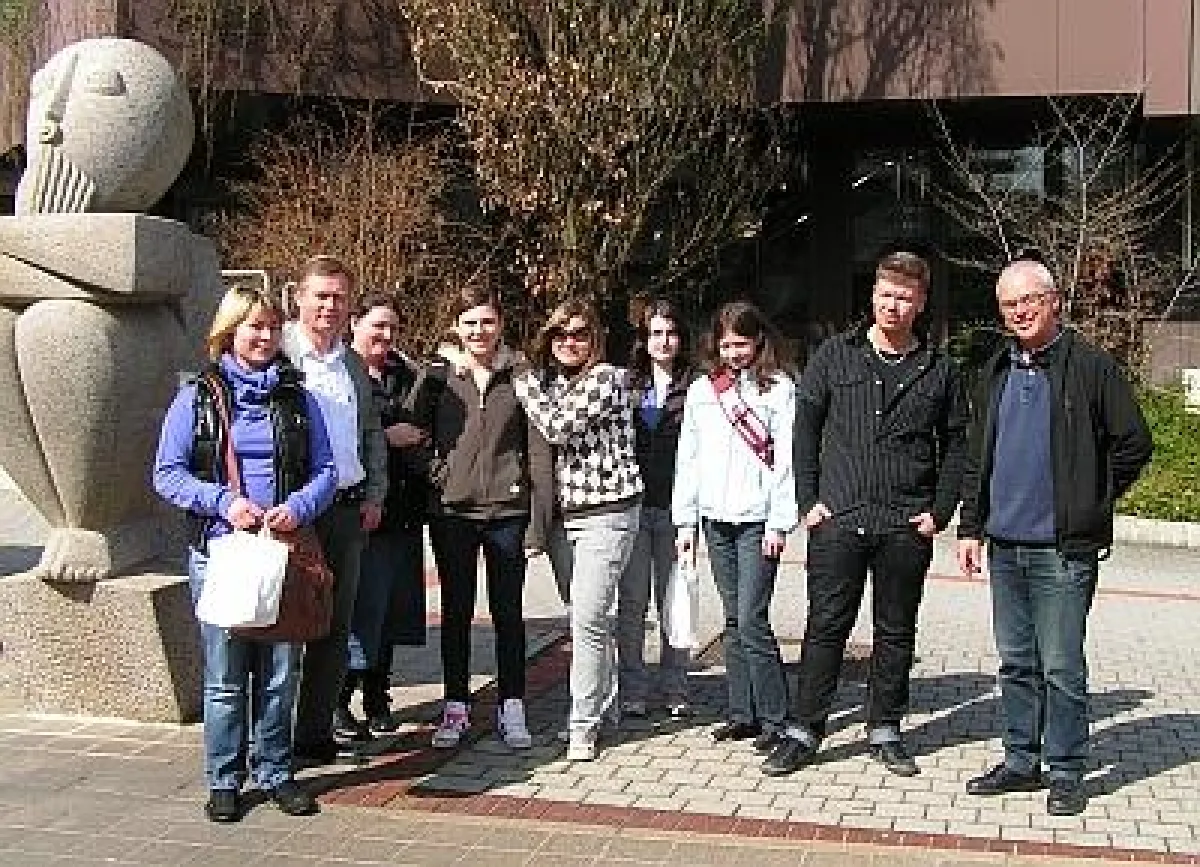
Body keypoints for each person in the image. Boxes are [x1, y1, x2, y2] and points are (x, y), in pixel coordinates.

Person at [762, 251, 969, 778]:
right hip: (838, 520)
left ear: (921, 303)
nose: (893, 305)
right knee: (826, 626)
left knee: (895, 630)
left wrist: (940, 511)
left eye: (904, 296)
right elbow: (804, 431)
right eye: (885, 294)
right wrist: (808, 502)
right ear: (872, 294)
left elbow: (958, 444)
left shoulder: (939, 370)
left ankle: (885, 728)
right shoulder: (835, 355)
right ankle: (805, 729)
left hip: (905, 524)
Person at [957, 259, 1152, 816]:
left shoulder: (1090, 366)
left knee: (1061, 664)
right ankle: (1021, 759)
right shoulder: (995, 367)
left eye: (1029, 301)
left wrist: (1091, 498)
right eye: (1008, 304)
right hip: (1004, 546)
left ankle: (1066, 768)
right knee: (1016, 661)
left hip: (1063, 552)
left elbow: (1133, 444)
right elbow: (979, 456)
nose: (1019, 311)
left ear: (1054, 301)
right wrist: (970, 527)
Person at [152, 285, 337, 822]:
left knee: (282, 673)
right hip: (221, 553)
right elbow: (166, 473)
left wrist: (298, 508)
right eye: (254, 327)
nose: (264, 337)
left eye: (272, 328)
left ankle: (276, 771)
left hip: (281, 552)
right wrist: (222, 502)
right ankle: (224, 778)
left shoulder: (298, 396)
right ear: (229, 332)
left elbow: (326, 470)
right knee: (226, 676)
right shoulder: (197, 396)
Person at [418, 286, 553, 750]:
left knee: (508, 612)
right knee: (455, 612)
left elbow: (537, 448)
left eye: (487, 321)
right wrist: (440, 475)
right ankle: (456, 705)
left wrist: (538, 518)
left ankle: (511, 704)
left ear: (500, 325)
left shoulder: (520, 375)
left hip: (506, 511)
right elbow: (412, 432)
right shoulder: (437, 375)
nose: (479, 331)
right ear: (457, 325)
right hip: (452, 512)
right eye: (470, 322)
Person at [514, 299, 644, 762]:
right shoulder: (553, 383)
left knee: (588, 619)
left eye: (579, 334)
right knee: (586, 619)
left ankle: (582, 726)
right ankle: (602, 706)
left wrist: (521, 377)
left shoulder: (606, 378)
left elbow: (554, 428)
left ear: (596, 340)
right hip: (564, 519)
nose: (569, 342)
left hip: (608, 513)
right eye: (560, 334)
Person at [673, 301, 797, 750]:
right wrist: (684, 520)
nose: (733, 353)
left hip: (758, 520)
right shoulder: (705, 391)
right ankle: (741, 712)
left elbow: (786, 461)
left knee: (752, 619)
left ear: (759, 341)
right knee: (731, 619)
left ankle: (776, 717)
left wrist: (780, 522)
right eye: (726, 344)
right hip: (714, 519)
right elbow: (688, 458)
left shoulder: (779, 389)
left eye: (741, 343)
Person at [284, 255, 388, 764]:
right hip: (293, 513)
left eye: (339, 297)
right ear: (298, 296)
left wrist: (375, 494)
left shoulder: (350, 362)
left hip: (346, 511)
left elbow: (371, 433)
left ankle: (314, 735)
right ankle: (272, 739)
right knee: (283, 625)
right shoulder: (278, 353)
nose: (329, 305)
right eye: (320, 295)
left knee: (332, 628)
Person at [336, 292, 433, 738]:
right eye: (378, 326)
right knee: (361, 613)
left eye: (392, 328)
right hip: (365, 514)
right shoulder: (342, 375)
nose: (386, 336)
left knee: (393, 614)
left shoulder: (405, 376)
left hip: (405, 514)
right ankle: (339, 699)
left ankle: (378, 696)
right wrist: (386, 436)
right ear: (355, 324)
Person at [617, 298, 696, 720]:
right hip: (631, 508)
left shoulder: (698, 386)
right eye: (656, 334)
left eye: (671, 333)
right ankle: (632, 688)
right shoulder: (625, 385)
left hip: (676, 511)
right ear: (644, 340)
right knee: (631, 606)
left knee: (675, 602)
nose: (664, 341)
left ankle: (675, 687)